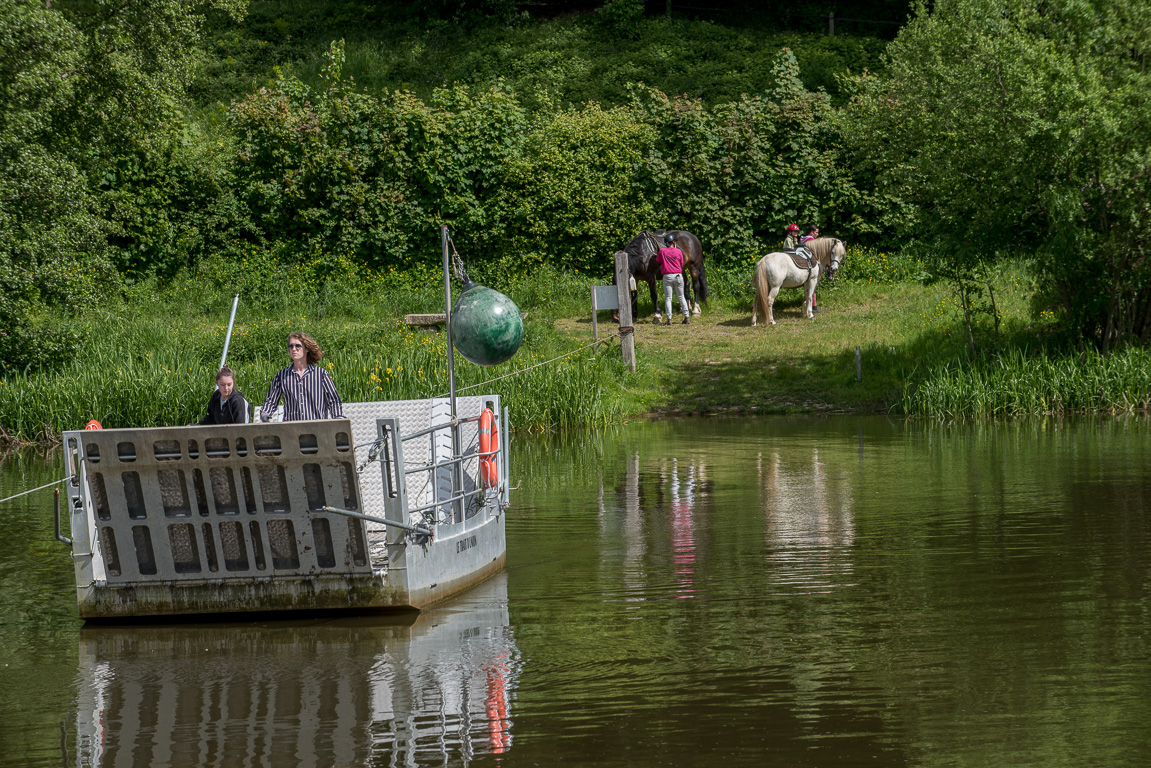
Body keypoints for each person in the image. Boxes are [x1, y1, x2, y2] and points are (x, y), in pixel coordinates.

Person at [260, 332, 344, 421]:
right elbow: (271, 401)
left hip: (317, 428)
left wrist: (338, 417)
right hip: (291, 429)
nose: (293, 349)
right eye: (290, 346)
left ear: (306, 348)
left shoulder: (321, 374)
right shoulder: (281, 375)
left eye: (297, 346)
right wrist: (265, 413)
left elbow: (334, 401)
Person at [657, 233, 690, 326]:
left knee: (668, 298)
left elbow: (658, 261)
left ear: (666, 243)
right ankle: (686, 317)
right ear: (674, 242)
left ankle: (669, 319)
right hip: (678, 276)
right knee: (681, 297)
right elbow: (681, 262)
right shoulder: (679, 251)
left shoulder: (662, 251)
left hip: (667, 276)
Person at [800, 225, 822, 312]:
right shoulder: (810, 240)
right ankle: (813, 305)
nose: (817, 234)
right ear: (811, 232)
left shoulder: (804, 239)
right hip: (809, 262)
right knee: (813, 282)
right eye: (816, 232)